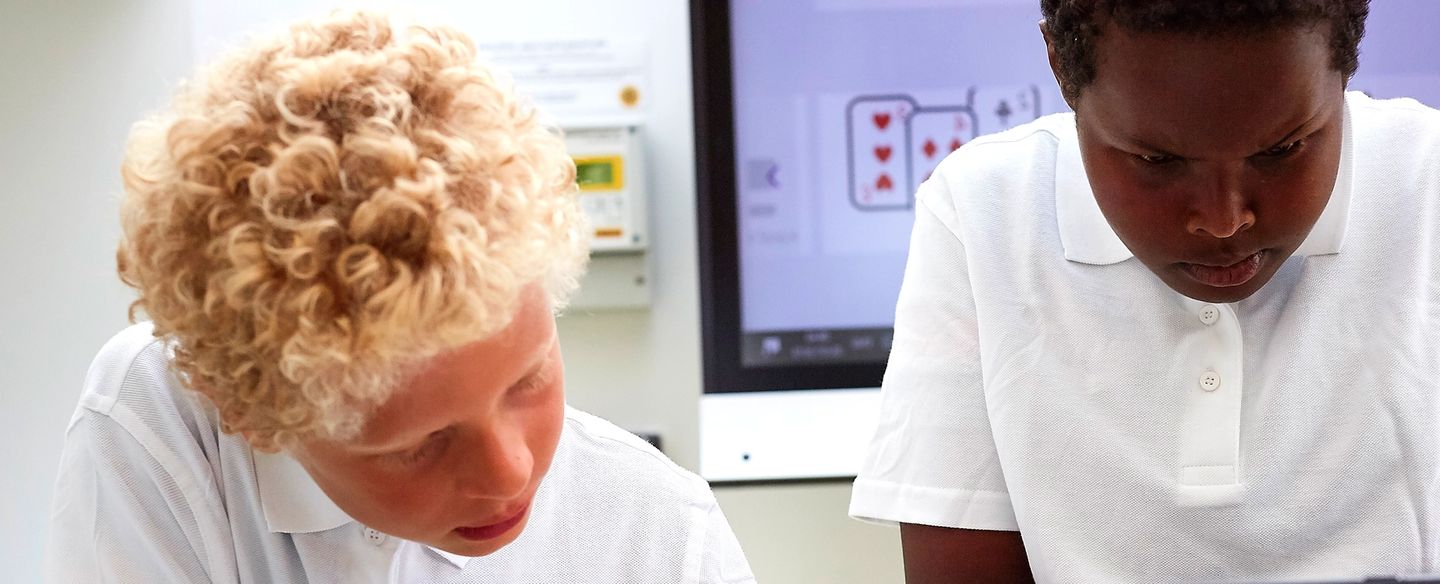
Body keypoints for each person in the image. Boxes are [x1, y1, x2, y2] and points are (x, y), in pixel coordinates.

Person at [46, 11, 754, 584]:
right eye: (420, 444)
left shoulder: (660, 539)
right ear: (255, 418)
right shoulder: (163, 428)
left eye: (528, 378)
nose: (509, 471)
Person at [849, 1, 1440, 582]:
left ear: (1347, 66)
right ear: (1060, 66)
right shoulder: (981, 213)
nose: (1223, 219)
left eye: (1281, 150)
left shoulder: (1426, 184)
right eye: (1156, 159)